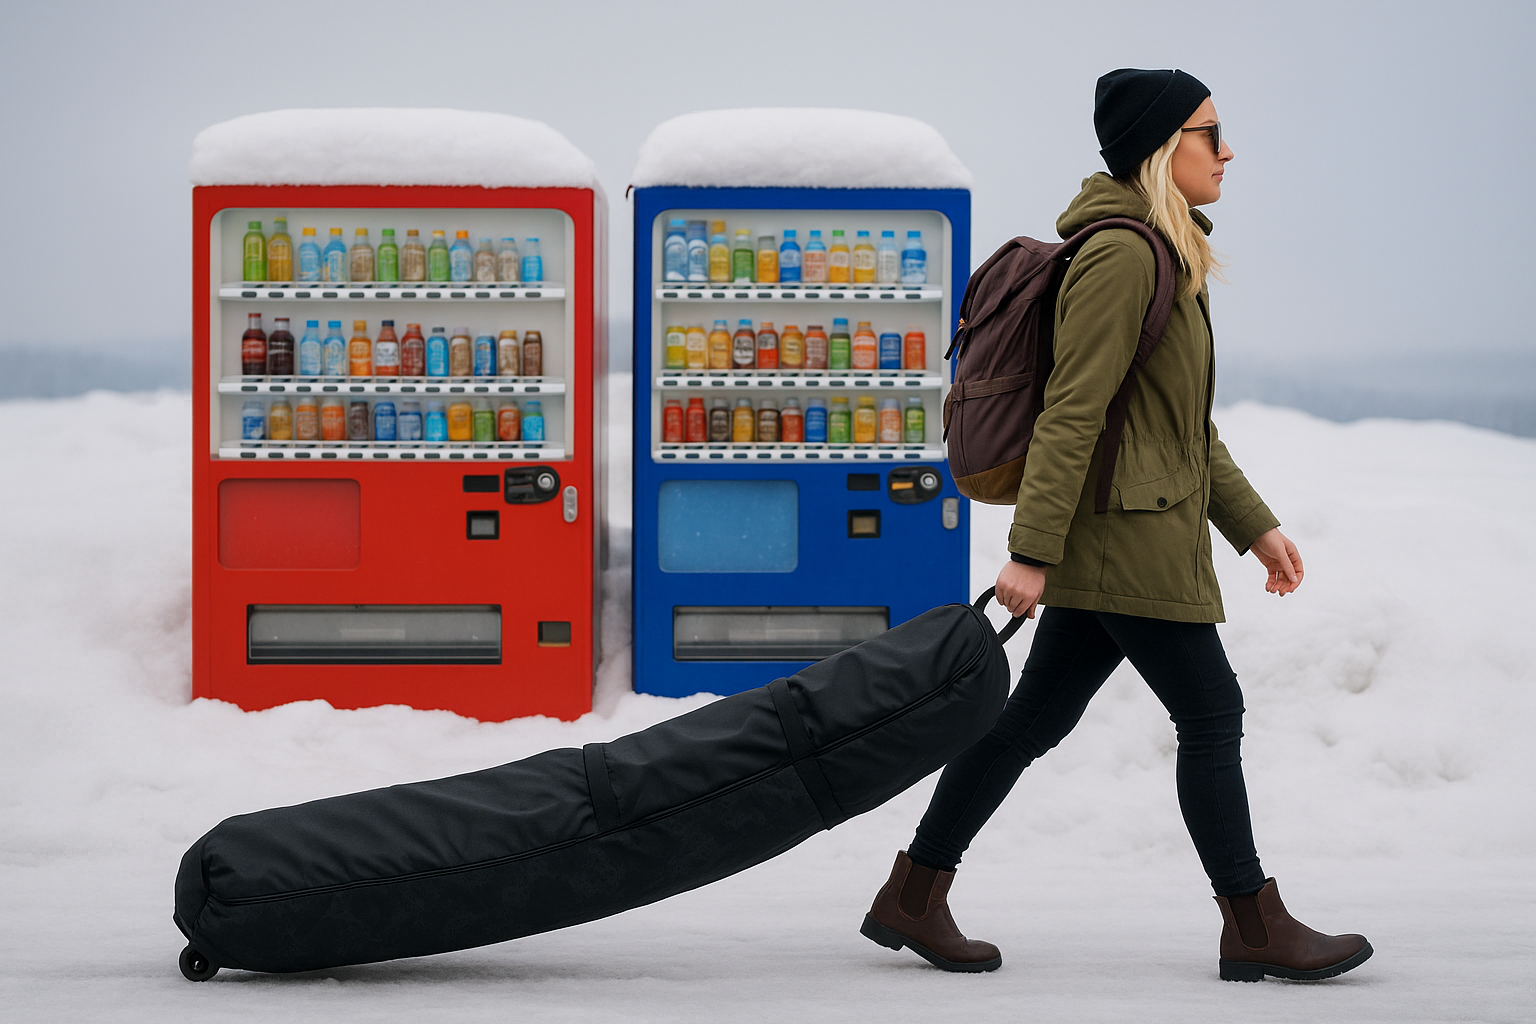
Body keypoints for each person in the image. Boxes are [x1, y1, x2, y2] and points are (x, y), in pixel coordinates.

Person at [860, 68, 1372, 983]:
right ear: (1161, 146)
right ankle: (1253, 926)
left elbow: (1181, 429)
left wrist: (1253, 527)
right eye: (1210, 133)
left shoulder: (1168, 253)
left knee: (1030, 722)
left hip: (1135, 528)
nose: (1226, 151)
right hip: (1124, 537)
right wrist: (1030, 551)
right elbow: (1072, 410)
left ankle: (914, 892)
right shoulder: (1125, 256)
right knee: (1212, 712)